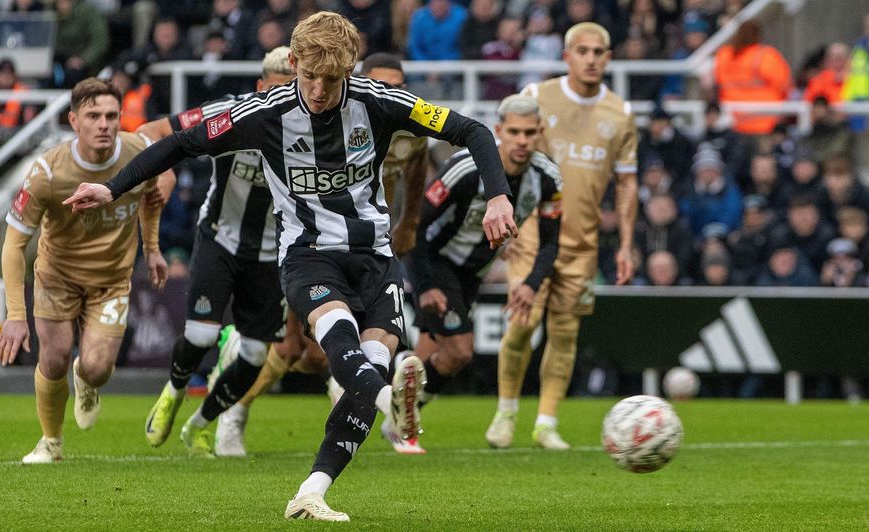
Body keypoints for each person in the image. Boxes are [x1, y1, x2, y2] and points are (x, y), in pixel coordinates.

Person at [63, 12, 517, 521]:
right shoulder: (264, 111)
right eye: (310, 77)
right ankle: (391, 399)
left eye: (332, 79)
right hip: (308, 256)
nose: (319, 90)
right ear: (294, 63)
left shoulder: (381, 102)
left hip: (375, 258)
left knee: (365, 372)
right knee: (343, 346)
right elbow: (180, 142)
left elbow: (472, 130)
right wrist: (112, 187)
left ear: (349, 71)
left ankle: (312, 490)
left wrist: (499, 197)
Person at [213, 52, 432, 457]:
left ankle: (370, 411)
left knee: (321, 356)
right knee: (291, 348)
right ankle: (234, 412)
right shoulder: (344, 119)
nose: (391, 91)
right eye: (383, 82)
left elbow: (417, 165)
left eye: (398, 84)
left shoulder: (407, 124)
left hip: (369, 249)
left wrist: (409, 222)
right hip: (313, 245)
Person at [0, 78, 169, 464]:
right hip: (56, 277)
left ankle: (87, 381)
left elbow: (151, 198)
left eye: (111, 115)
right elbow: (13, 244)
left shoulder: (139, 153)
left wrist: (152, 249)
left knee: (97, 367)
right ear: (74, 121)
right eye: (93, 116)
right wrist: (15, 315)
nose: (104, 124)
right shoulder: (47, 172)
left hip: (111, 282)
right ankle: (50, 442)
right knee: (52, 360)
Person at [132, 47, 295, 458]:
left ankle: (200, 423)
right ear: (260, 87)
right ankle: (173, 391)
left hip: (274, 253)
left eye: (291, 91)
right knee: (201, 334)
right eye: (274, 90)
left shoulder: (315, 130)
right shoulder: (227, 112)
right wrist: (164, 168)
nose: (281, 101)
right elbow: (152, 130)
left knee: (257, 354)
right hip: (221, 237)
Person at [486, 22, 638, 451]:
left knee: (566, 333)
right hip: (535, 232)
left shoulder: (620, 114)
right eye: (583, 51)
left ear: (609, 58)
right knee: (523, 323)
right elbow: (508, 157)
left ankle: (547, 422)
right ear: (567, 55)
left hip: (583, 243)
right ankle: (506, 411)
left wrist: (625, 244)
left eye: (599, 52)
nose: (591, 59)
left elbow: (627, 183)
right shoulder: (537, 97)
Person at [398, 94, 562, 454]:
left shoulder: (548, 178)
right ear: (499, 131)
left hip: (475, 271)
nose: (522, 141)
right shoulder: (463, 169)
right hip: (437, 261)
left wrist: (531, 285)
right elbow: (414, 227)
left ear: (540, 133)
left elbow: (551, 243)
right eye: (514, 132)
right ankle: (397, 417)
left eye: (529, 133)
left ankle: (395, 412)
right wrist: (424, 285)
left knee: (430, 355)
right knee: (459, 351)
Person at [712, 20, 791, 135]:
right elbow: (785, 86)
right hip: (764, 123)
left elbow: (715, 85)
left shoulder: (723, 55)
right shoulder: (765, 56)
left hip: (732, 123)